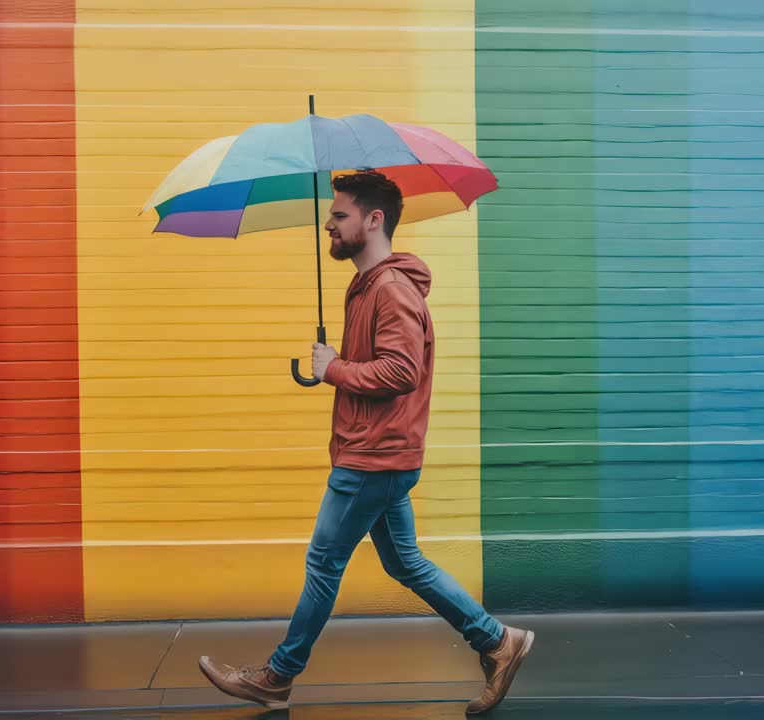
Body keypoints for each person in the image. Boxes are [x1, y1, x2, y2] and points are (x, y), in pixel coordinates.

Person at [197, 170, 534, 715]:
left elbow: (400, 371)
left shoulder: (391, 290)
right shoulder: (370, 287)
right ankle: (498, 642)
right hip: (379, 452)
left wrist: (334, 370)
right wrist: (338, 369)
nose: (328, 224)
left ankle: (278, 676)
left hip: (373, 457)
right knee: (405, 564)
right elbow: (381, 369)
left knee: (323, 562)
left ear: (373, 220)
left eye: (339, 215)